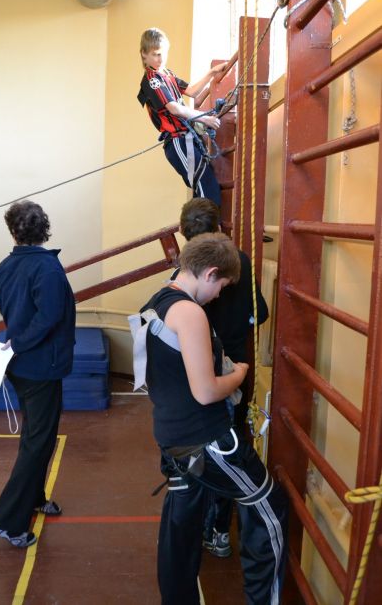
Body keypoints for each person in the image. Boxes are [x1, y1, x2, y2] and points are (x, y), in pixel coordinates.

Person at [132, 233, 287, 605]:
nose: (219, 295)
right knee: (269, 506)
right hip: (206, 439)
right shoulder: (190, 313)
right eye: (221, 286)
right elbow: (205, 391)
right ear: (210, 272)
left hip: (172, 435)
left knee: (182, 521)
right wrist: (239, 374)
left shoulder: (158, 300)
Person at [179, 197, 270, 560]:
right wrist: (239, 323)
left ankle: (195, 524)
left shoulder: (186, 272)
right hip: (233, 368)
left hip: (201, 371)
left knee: (196, 449)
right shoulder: (240, 261)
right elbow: (260, 312)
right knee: (227, 447)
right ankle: (218, 530)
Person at [0, 201, 76, 548]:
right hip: (39, 367)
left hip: (21, 366)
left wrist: (17, 341)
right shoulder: (48, 268)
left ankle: (35, 497)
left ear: (13, 231)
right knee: (38, 442)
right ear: (45, 229)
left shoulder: (5, 267)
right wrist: (22, 342)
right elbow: (49, 316)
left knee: (38, 435)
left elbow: (4, 306)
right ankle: (8, 522)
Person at [137, 27, 225, 206]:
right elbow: (174, 108)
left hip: (187, 139)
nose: (161, 59)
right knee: (205, 187)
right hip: (177, 140)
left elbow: (192, 91)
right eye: (155, 54)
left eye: (163, 53)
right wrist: (204, 118)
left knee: (205, 186)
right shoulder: (152, 80)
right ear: (144, 54)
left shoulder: (167, 74)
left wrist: (211, 73)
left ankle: (205, 223)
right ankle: (208, 224)